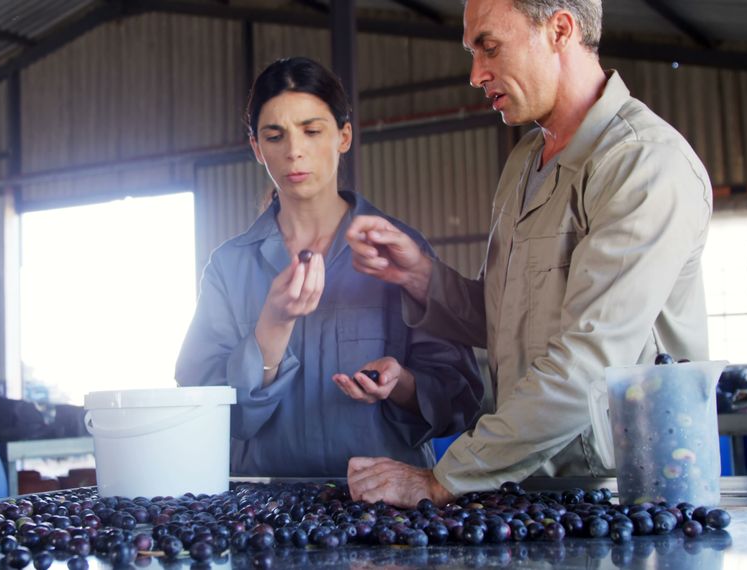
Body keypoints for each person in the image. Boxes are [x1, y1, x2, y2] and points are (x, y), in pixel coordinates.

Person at [345, 0, 712, 506]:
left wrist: (443, 479)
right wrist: (421, 277)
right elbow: (506, 320)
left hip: (622, 496)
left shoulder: (642, 164)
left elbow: (591, 361)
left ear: (560, 29)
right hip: (525, 486)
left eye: (489, 47)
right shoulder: (525, 163)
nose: (475, 74)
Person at [175, 57, 484, 477]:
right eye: (274, 135)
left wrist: (404, 386)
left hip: (386, 508)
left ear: (343, 136)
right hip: (265, 515)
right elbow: (202, 413)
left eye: (312, 130)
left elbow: (461, 399)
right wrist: (272, 327)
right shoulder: (229, 268)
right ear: (256, 148)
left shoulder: (399, 253)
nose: (294, 150)